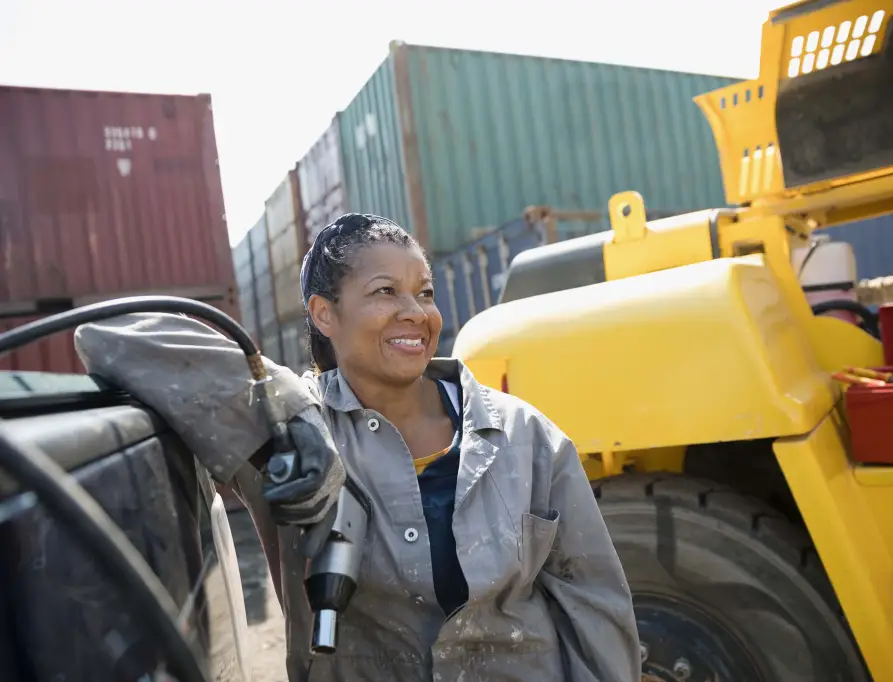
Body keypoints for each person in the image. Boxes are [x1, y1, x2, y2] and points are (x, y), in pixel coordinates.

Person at [74, 213, 642, 682]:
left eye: (423, 292)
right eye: (384, 292)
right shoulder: (292, 433)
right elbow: (108, 337)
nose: (416, 313)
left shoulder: (525, 437)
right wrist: (291, 412)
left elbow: (593, 603)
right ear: (324, 314)